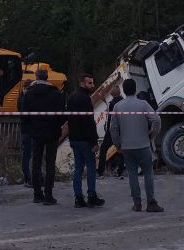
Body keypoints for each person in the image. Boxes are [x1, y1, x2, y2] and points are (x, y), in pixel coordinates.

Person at [108, 79, 163, 213]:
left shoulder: (117, 107)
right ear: (135, 89)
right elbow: (156, 120)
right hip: (143, 144)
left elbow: (113, 129)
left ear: (124, 91)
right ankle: (151, 202)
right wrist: (151, 135)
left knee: (132, 174)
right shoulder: (143, 104)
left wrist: (118, 145)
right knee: (148, 173)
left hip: (127, 147)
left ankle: (137, 203)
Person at [22, 68, 66, 205]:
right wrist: (56, 126)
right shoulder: (56, 93)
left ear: (36, 76)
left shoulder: (29, 93)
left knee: (36, 162)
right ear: (47, 78)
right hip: (52, 132)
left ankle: (37, 193)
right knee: (50, 163)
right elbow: (61, 114)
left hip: (36, 132)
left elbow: (24, 114)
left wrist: (30, 128)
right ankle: (48, 194)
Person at [66, 73, 104, 208]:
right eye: (89, 83)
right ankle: (91, 195)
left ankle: (78, 198)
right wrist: (94, 142)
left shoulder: (71, 98)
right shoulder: (85, 99)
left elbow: (69, 119)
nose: (92, 86)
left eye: (92, 83)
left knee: (78, 168)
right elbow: (89, 122)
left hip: (74, 138)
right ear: (82, 83)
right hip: (85, 140)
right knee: (91, 167)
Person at [97, 87, 124, 178]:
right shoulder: (123, 102)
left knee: (103, 149)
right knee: (121, 150)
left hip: (111, 131)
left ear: (113, 94)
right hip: (121, 130)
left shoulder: (113, 104)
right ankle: (120, 171)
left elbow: (111, 117)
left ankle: (100, 172)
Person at [17, 79, 34, 187]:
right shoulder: (24, 98)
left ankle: (29, 177)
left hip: (27, 129)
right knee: (27, 154)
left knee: (28, 154)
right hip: (28, 129)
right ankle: (28, 177)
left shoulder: (22, 97)